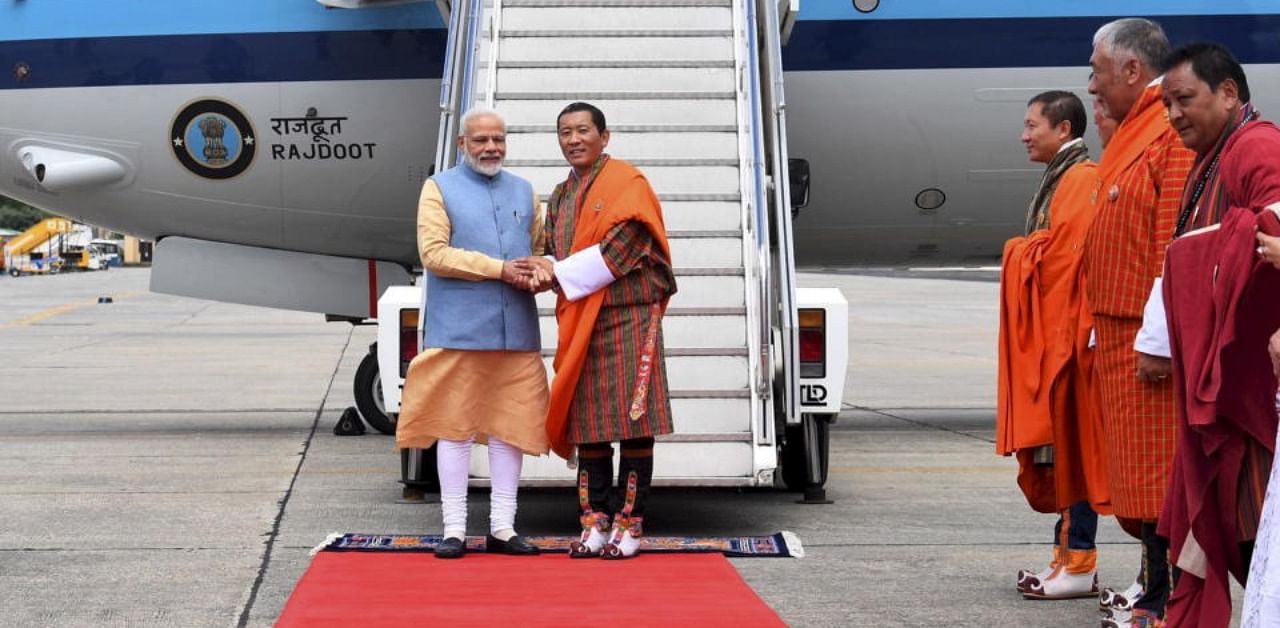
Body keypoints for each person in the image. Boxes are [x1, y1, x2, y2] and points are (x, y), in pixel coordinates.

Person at [1150, 43, 1280, 627]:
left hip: (1248, 387)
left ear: (1229, 93)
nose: (1175, 115)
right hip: (1220, 381)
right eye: (1168, 104)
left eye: (1185, 99)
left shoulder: (1257, 147)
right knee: (1236, 523)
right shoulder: (1213, 158)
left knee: (1253, 526)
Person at [524, 102, 677, 559]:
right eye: (565, 132)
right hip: (581, 321)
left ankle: (630, 524)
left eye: (583, 130)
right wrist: (533, 268)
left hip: (628, 318)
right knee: (588, 427)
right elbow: (551, 251)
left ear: (604, 137)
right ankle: (594, 522)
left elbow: (617, 254)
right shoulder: (561, 195)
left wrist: (548, 272)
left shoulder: (627, 184)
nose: (573, 140)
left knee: (634, 426)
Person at [396, 107, 550, 559]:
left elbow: (537, 250)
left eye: (498, 140)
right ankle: (454, 529)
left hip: (517, 330)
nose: (491, 148)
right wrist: (499, 270)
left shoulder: (524, 190)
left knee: (511, 430)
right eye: (480, 140)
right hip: (460, 330)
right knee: (455, 429)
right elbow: (434, 254)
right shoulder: (438, 187)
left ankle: (503, 527)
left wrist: (541, 270)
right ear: (462, 144)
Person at [1085, 18, 1196, 627]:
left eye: (1098, 68)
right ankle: (1154, 592)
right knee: (1136, 484)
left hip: (1150, 342)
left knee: (1159, 482)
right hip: (1122, 332)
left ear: (1133, 70)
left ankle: (1165, 600)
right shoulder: (1136, 130)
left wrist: (1156, 338)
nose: (1091, 82)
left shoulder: (1166, 131)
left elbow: (1170, 248)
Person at [997, 90, 1110, 601]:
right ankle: (1064, 558)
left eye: (1031, 125)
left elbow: (1069, 263)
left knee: (1073, 451)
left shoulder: (1082, 179)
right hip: (1055, 336)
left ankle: (1080, 561)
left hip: (1069, 341)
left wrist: (1021, 253)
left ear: (1063, 130)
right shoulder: (1064, 177)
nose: (1024, 135)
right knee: (1058, 450)